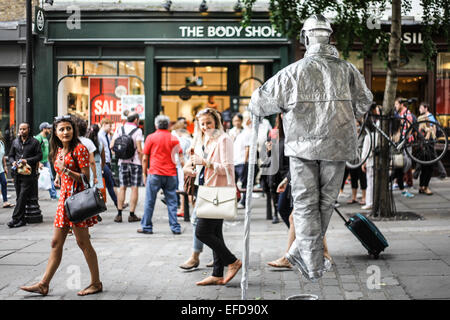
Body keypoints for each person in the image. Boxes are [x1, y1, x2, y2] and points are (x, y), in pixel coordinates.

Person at [247, 14, 373, 281]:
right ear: (330, 37)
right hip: (337, 144)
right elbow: (364, 102)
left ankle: (311, 266)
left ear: (305, 38)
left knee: (305, 204)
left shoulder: (292, 72)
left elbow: (259, 103)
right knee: (326, 202)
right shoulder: (348, 69)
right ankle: (301, 256)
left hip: (301, 147)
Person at [20, 115, 102, 296]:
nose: (65, 132)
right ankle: (44, 284)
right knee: (55, 242)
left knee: (83, 242)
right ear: (55, 133)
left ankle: (96, 283)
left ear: (74, 130)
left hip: (76, 202)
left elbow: (85, 178)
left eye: (68, 128)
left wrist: (64, 170)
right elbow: (61, 170)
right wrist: (59, 176)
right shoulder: (58, 150)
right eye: (62, 129)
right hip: (63, 201)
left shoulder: (79, 149)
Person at [183, 108, 242, 286]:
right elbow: (202, 166)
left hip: (218, 192)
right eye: (202, 124)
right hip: (207, 190)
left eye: (209, 122)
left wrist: (205, 162)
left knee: (202, 231)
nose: (205, 126)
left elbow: (227, 169)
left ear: (216, 121)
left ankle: (232, 261)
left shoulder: (224, 140)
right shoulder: (207, 140)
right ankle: (217, 274)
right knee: (215, 232)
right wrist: (191, 167)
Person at [268, 176, 331, 268]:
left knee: (295, 217)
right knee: (306, 217)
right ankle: (324, 253)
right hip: (298, 177)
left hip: (309, 177)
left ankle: (288, 258)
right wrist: (287, 179)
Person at [138, 115, 183, 234]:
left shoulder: (151, 138)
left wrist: (144, 173)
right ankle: (175, 227)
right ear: (168, 125)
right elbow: (180, 156)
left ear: (156, 125)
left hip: (155, 173)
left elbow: (144, 158)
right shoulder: (174, 138)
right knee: (172, 202)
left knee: (149, 201)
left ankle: (146, 227)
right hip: (171, 174)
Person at [7, 123, 42, 228]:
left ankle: (15, 218)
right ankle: (21, 220)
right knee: (19, 197)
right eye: (20, 129)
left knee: (22, 196)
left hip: (28, 173)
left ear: (28, 129)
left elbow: (39, 156)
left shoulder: (35, 142)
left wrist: (27, 160)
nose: (22, 131)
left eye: (24, 129)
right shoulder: (15, 142)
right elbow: (10, 156)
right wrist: (13, 162)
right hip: (17, 173)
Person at [110, 113, 143, 223]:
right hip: (135, 163)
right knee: (134, 188)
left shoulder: (120, 129)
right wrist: (143, 160)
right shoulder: (138, 131)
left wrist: (120, 154)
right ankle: (131, 215)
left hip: (122, 162)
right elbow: (139, 149)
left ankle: (119, 214)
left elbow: (111, 146)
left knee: (122, 188)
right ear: (136, 120)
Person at [229, 113, 251, 209]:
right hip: (233, 161)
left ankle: (244, 201)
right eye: (234, 121)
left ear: (241, 121)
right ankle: (234, 200)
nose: (236, 122)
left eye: (238, 120)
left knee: (244, 183)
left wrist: (245, 161)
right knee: (232, 182)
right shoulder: (231, 132)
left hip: (242, 161)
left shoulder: (246, 132)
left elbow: (247, 148)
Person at [171, 119, 192, 217]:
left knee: (182, 187)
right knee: (186, 186)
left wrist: (184, 167)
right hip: (187, 164)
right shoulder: (189, 137)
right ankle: (184, 207)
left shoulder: (181, 139)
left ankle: (183, 209)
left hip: (181, 165)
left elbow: (181, 155)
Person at [98, 117, 119, 208]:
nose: (111, 128)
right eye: (109, 126)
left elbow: (107, 149)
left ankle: (117, 202)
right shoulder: (100, 136)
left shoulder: (107, 135)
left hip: (107, 162)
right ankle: (117, 203)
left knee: (111, 183)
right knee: (109, 183)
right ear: (104, 125)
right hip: (103, 163)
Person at [417, 102, 438, 195]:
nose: (419, 110)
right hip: (425, 147)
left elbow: (434, 131)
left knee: (426, 167)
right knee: (427, 167)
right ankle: (425, 187)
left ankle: (422, 186)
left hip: (427, 146)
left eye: (421, 108)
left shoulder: (429, 118)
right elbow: (427, 136)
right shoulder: (422, 122)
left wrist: (430, 129)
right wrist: (429, 131)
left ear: (426, 108)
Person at [34, 122, 58, 200]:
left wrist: (47, 159)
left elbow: (45, 150)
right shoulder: (38, 138)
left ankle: (53, 195)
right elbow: (34, 151)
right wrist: (39, 162)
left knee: (50, 177)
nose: (50, 130)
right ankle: (34, 195)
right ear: (44, 129)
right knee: (36, 179)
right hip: (39, 162)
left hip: (46, 161)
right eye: (48, 128)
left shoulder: (45, 138)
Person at [0, 131, 14, 208]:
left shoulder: (1, 143)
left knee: (4, 183)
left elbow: (3, 156)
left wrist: (5, 166)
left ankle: (5, 202)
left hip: (1, 168)